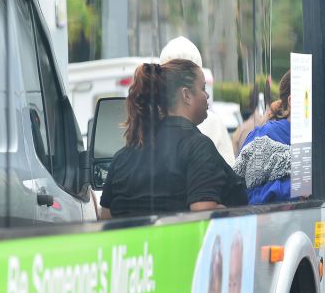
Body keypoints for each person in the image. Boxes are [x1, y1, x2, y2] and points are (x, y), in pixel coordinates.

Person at [99, 59, 246, 218]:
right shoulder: (198, 147)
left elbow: (105, 218)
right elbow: (203, 213)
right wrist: (226, 211)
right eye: (203, 88)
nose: (207, 95)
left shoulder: (122, 157)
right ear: (186, 95)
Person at [159, 35, 236, 166]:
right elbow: (229, 175)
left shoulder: (145, 122)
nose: (206, 95)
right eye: (203, 88)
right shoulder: (212, 125)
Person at [233, 71, 295, 205]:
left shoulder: (322, 138)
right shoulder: (265, 135)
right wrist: (292, 189)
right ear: (292, 101)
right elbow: (244, 193)